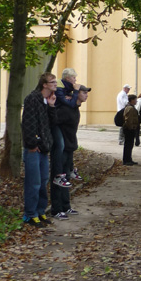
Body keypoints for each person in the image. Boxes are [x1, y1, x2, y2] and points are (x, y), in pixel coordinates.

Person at [22, 73, 58, 228]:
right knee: (34, 182)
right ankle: (30, 215)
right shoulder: (32, 99)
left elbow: (52, 123)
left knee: (43, 181)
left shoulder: (46, 101)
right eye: (53, 82)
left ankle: (40, 211)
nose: (56, 84)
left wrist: (51, 106)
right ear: (44, 84)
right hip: (34, 149)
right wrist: (32, 144)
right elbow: (28, 122)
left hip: (43, 148)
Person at [52, 85, 91, 219]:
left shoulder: (75, 109)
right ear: (76, 94)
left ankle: (66, 206)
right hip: (62, 149)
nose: (86, 95)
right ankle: (56, 209)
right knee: (59, 177)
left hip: (70, 148)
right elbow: (54, 121)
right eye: (83, 92)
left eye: (86, 92)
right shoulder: (65, 109)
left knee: (66, 178)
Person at [53, 68, 80, 190]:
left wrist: (70, 95)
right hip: (57, 121)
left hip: (61, 120)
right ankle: (59, 174)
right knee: (61, 146)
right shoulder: (60, 89)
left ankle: (70, 169)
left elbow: (71, 102)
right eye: (74, 78)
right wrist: (74, 93)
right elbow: (70, 104)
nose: (75, 80)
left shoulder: (66, 89)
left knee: (70, 146)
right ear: (68, 78)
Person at [122, 94, 139, 166]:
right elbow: (129, 119)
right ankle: (127, 160)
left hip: (130, 128)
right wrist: (131, 127)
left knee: (129, 145)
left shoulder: (130, 107)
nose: (136, 101)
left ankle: (129, 159)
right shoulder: (130, 108)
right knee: (128, 145)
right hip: (129, 129)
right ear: (132, 100)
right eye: (135, 99)